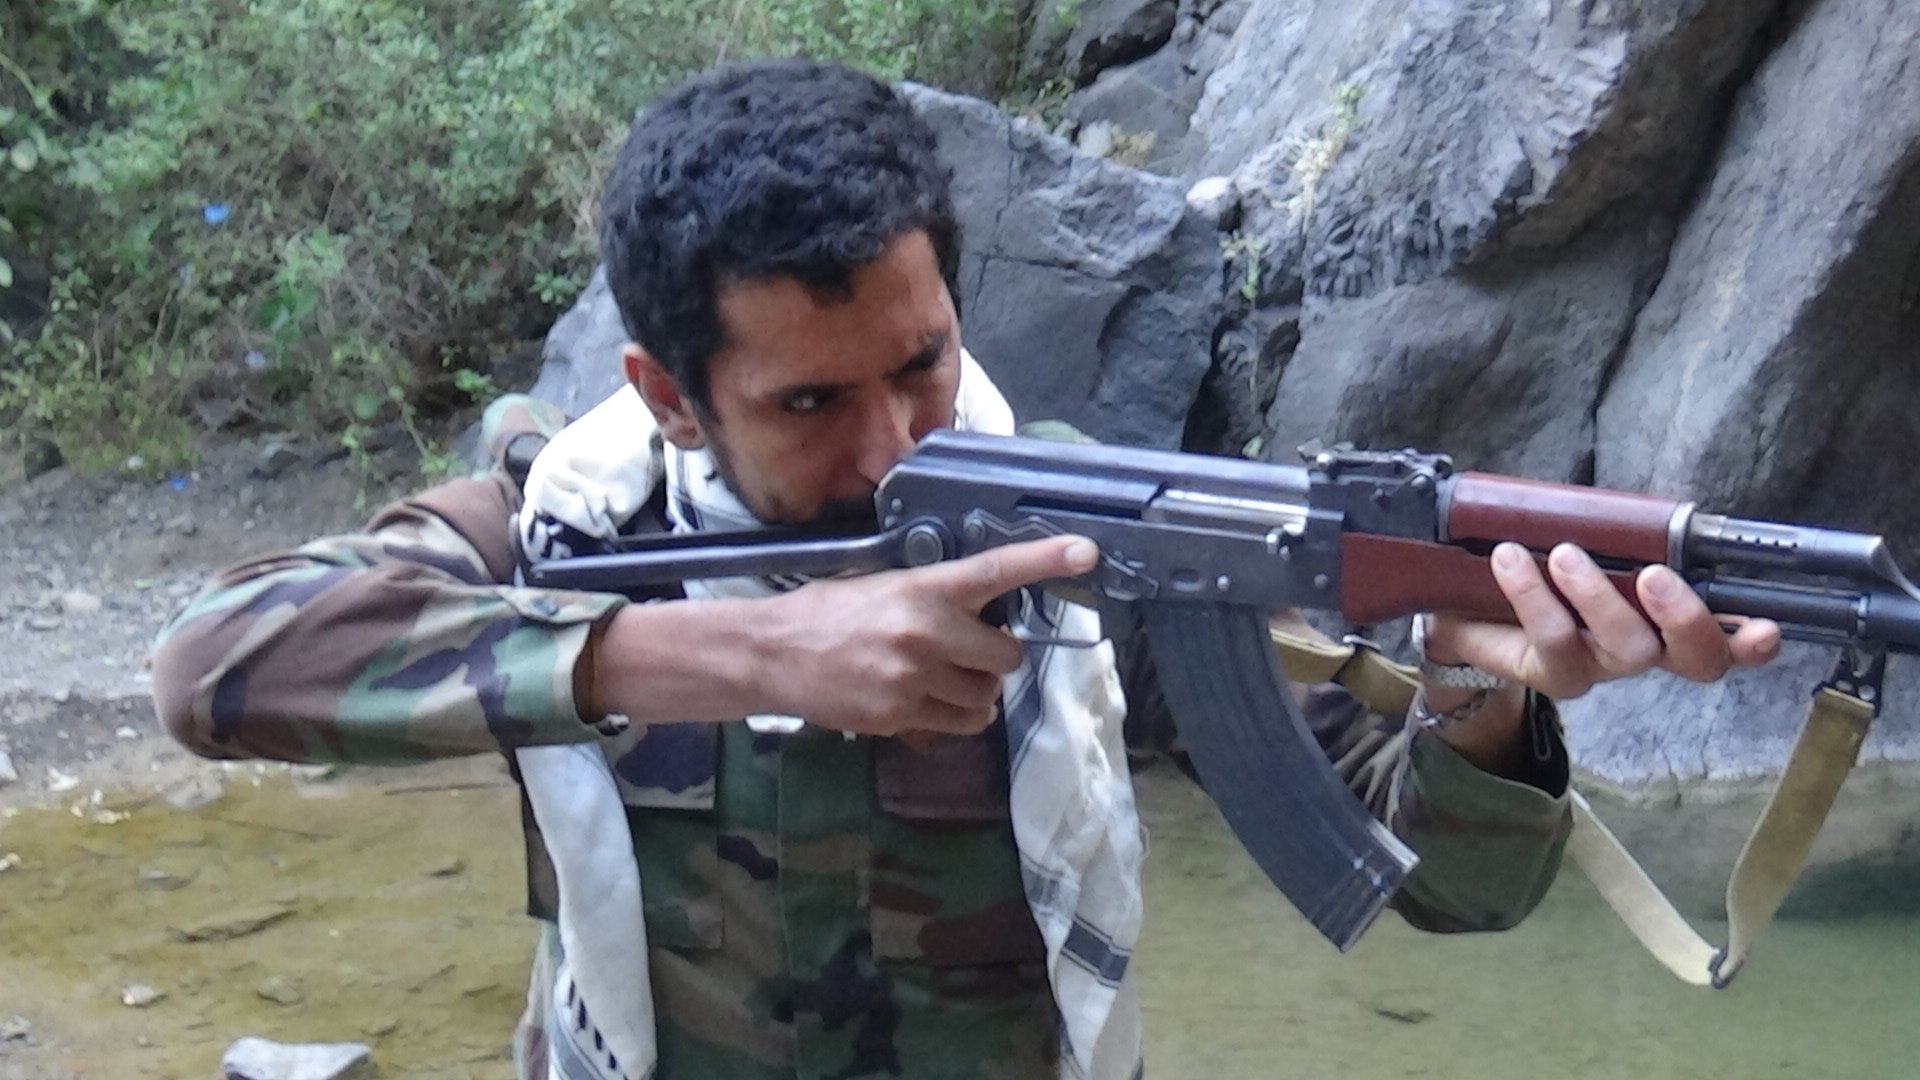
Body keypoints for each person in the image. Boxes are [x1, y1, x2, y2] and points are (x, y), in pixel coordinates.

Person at [152, 60, 1781, 1080]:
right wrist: (724, 658)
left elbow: (1447, 892)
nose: (890, 446)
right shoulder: (573, 519)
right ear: (669, 393)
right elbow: (215, 662)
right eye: (810, 403)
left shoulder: (1095, 547)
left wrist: (1478, 697)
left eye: (921, 364)